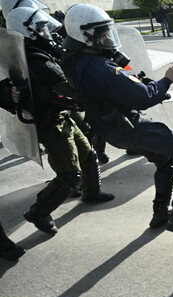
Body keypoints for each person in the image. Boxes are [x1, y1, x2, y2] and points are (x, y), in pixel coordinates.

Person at [62, 4, 173, 238]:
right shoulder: (100, 66)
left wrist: (140, 84)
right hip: (128, 128)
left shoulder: (76, 60)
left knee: (164, 160)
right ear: (85, 35)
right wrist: (166, 80)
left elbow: (120, 88)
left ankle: (160, 212)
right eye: (101, 32)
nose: (107, 36)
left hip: (113, 129)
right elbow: (142, 97)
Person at [4, 6, 114, 235]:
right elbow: (66, 87)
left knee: (88, 154)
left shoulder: (33, 52)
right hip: (50, 122)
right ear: (28, 31)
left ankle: (91, 192)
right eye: (41, 28)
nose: (46, 32)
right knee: (69, 175)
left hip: (61, 115)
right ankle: (39, 212)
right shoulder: (35, 58)